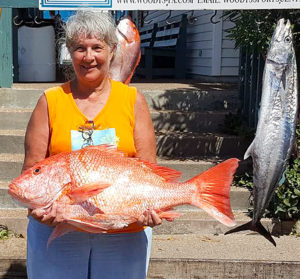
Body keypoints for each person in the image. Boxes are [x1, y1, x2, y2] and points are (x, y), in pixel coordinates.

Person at [22, 10, 162, 279]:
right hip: (59, 232)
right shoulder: (50, 101)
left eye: (97, 47)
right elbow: (31, 170)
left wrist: (151, 207)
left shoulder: (132, 100)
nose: (89, 57)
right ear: (69, 52)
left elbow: (149, 171)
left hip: (123, 231)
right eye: (79, 48)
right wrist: (40, 211)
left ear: (111, 51)